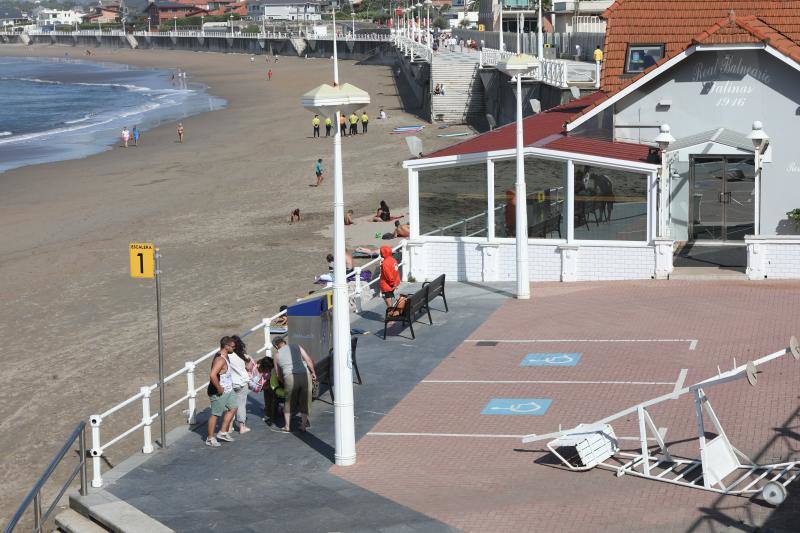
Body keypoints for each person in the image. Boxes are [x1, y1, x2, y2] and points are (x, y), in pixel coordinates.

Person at [272, 336, 316, 433]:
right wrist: (313, 372)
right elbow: (308, 360)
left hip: (290, 377)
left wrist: (283, 382)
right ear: (284, 342)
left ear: (276, 346)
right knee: (305, 401)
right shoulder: (297, 346)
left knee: (288, 402)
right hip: (305, 375)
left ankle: (287, 426)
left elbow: (278, 374)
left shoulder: (277, 355)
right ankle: (303, 426)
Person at [206, 337, 239, 447]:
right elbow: (212, 375)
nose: (234, 348)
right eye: (233, 347)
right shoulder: (220, 359)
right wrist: (219, 388)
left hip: (228, 390)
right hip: (218, 392)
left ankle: (223, 432)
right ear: (226, 346)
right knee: (215, 414)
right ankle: (210, 438)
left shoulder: (226, 356)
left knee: (233, 407)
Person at [223, 336, 255, 434]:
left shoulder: (227, 356)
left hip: (232, 383)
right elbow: (249, 367)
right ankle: (242, 427)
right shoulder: (243, 356)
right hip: (242, 382)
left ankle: (229, 427)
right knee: (241, 405)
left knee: (230, 406)